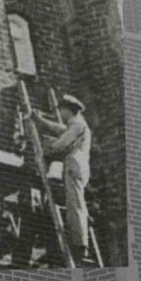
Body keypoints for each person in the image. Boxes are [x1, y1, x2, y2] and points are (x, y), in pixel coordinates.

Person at [33, 94, 92, 265]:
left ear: (68, 110)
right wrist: (41, 121)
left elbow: (63, 142)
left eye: (62, 110)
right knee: (75, 204)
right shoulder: (76, 124)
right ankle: (80, 242)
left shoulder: (78, 125)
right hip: (76, 168)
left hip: (74, 167)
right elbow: (59, 129)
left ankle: (80, 245)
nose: (61, 114)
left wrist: (45, 150)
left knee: (75, 206)